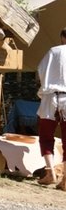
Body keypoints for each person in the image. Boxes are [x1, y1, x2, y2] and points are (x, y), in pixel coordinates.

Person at [36, 27, 66, 188]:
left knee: (46, 136)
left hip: (51, 97)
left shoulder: (53, 51)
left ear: (62, 37)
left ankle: (51, 173)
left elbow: (41, 71)